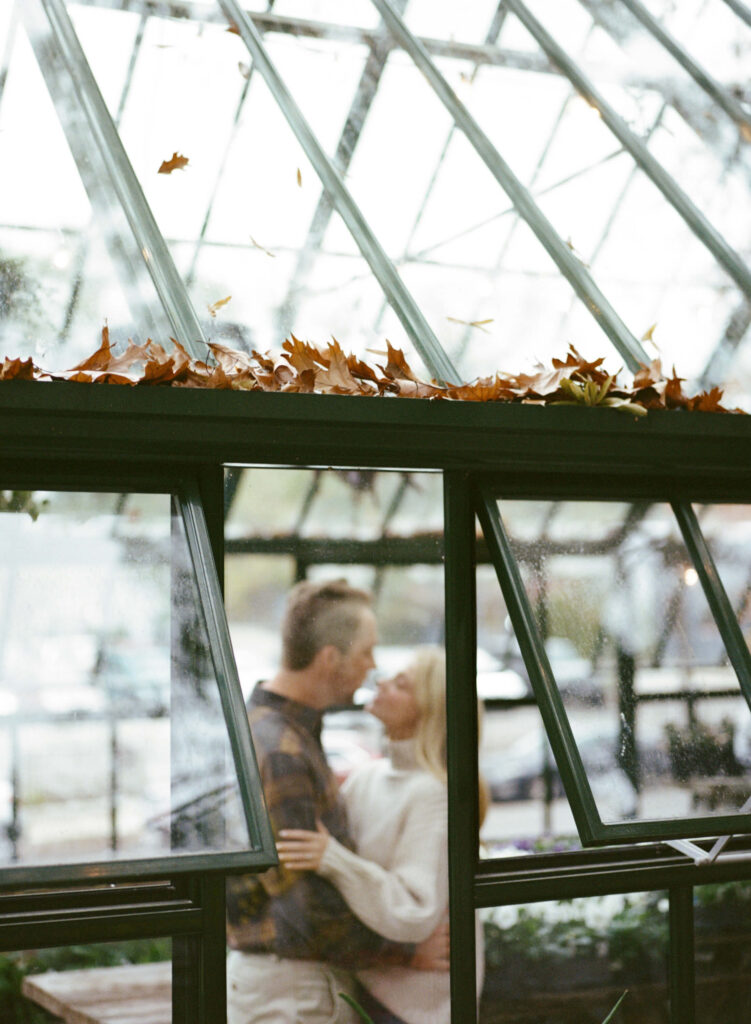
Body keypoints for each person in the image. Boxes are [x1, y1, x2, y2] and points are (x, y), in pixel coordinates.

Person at [225, 580, 448, 1024]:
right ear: (331, 658)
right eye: (366, 651)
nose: (372, 667)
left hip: (277, 986)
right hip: (293, 995)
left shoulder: (271, 729)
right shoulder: (283, 748)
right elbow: (303, 912)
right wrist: (405, 953)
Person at [277, 647, 483, 1024]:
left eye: (400, 684)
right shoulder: (368, 778)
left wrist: (331, 858)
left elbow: (413, 908)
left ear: (430, 708)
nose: (381, 682)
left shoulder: (434, 793)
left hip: (412, 1008)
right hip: (366, 987)